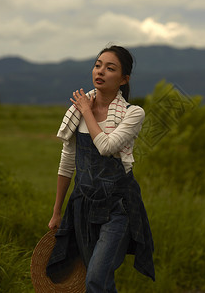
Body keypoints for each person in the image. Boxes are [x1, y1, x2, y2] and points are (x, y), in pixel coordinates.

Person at [46, 45, 155, 292]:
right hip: (83, 205)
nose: (101, 71)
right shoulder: (76, 113)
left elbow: (106, 146)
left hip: (119, 207)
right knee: (99, 280)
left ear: (124, 79)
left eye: (110, 68)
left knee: (96, 276)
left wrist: (87, 111)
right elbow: (67, 163)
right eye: (98, 65)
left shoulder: (133, 113)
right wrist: (57, 211)